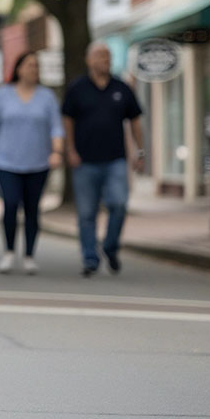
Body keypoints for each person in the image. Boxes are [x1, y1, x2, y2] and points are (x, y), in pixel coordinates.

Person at [62, 42, 146, 277]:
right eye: (100, 56)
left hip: (115, 160)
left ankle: (110, 246)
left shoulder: (122, 88)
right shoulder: (78, 88)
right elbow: (67, 120)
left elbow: (135, 121)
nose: (105, 60)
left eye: (108, 56)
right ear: (89, 60)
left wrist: (140, 152)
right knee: (87, 213)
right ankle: (90, 258)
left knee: (118, 204)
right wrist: (70, 150)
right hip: (85, 161)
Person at [0, 51, 64, 275]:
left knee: (33, 209)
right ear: (17, 69)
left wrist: (56, 151)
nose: (32, 69)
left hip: (37, 163)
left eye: (36, 66)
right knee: (11, 204)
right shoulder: (3, 95)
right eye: (28, 65)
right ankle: (8, 252)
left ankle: (29, 255)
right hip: (6, 162)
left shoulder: (47, 97)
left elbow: (56, 128)